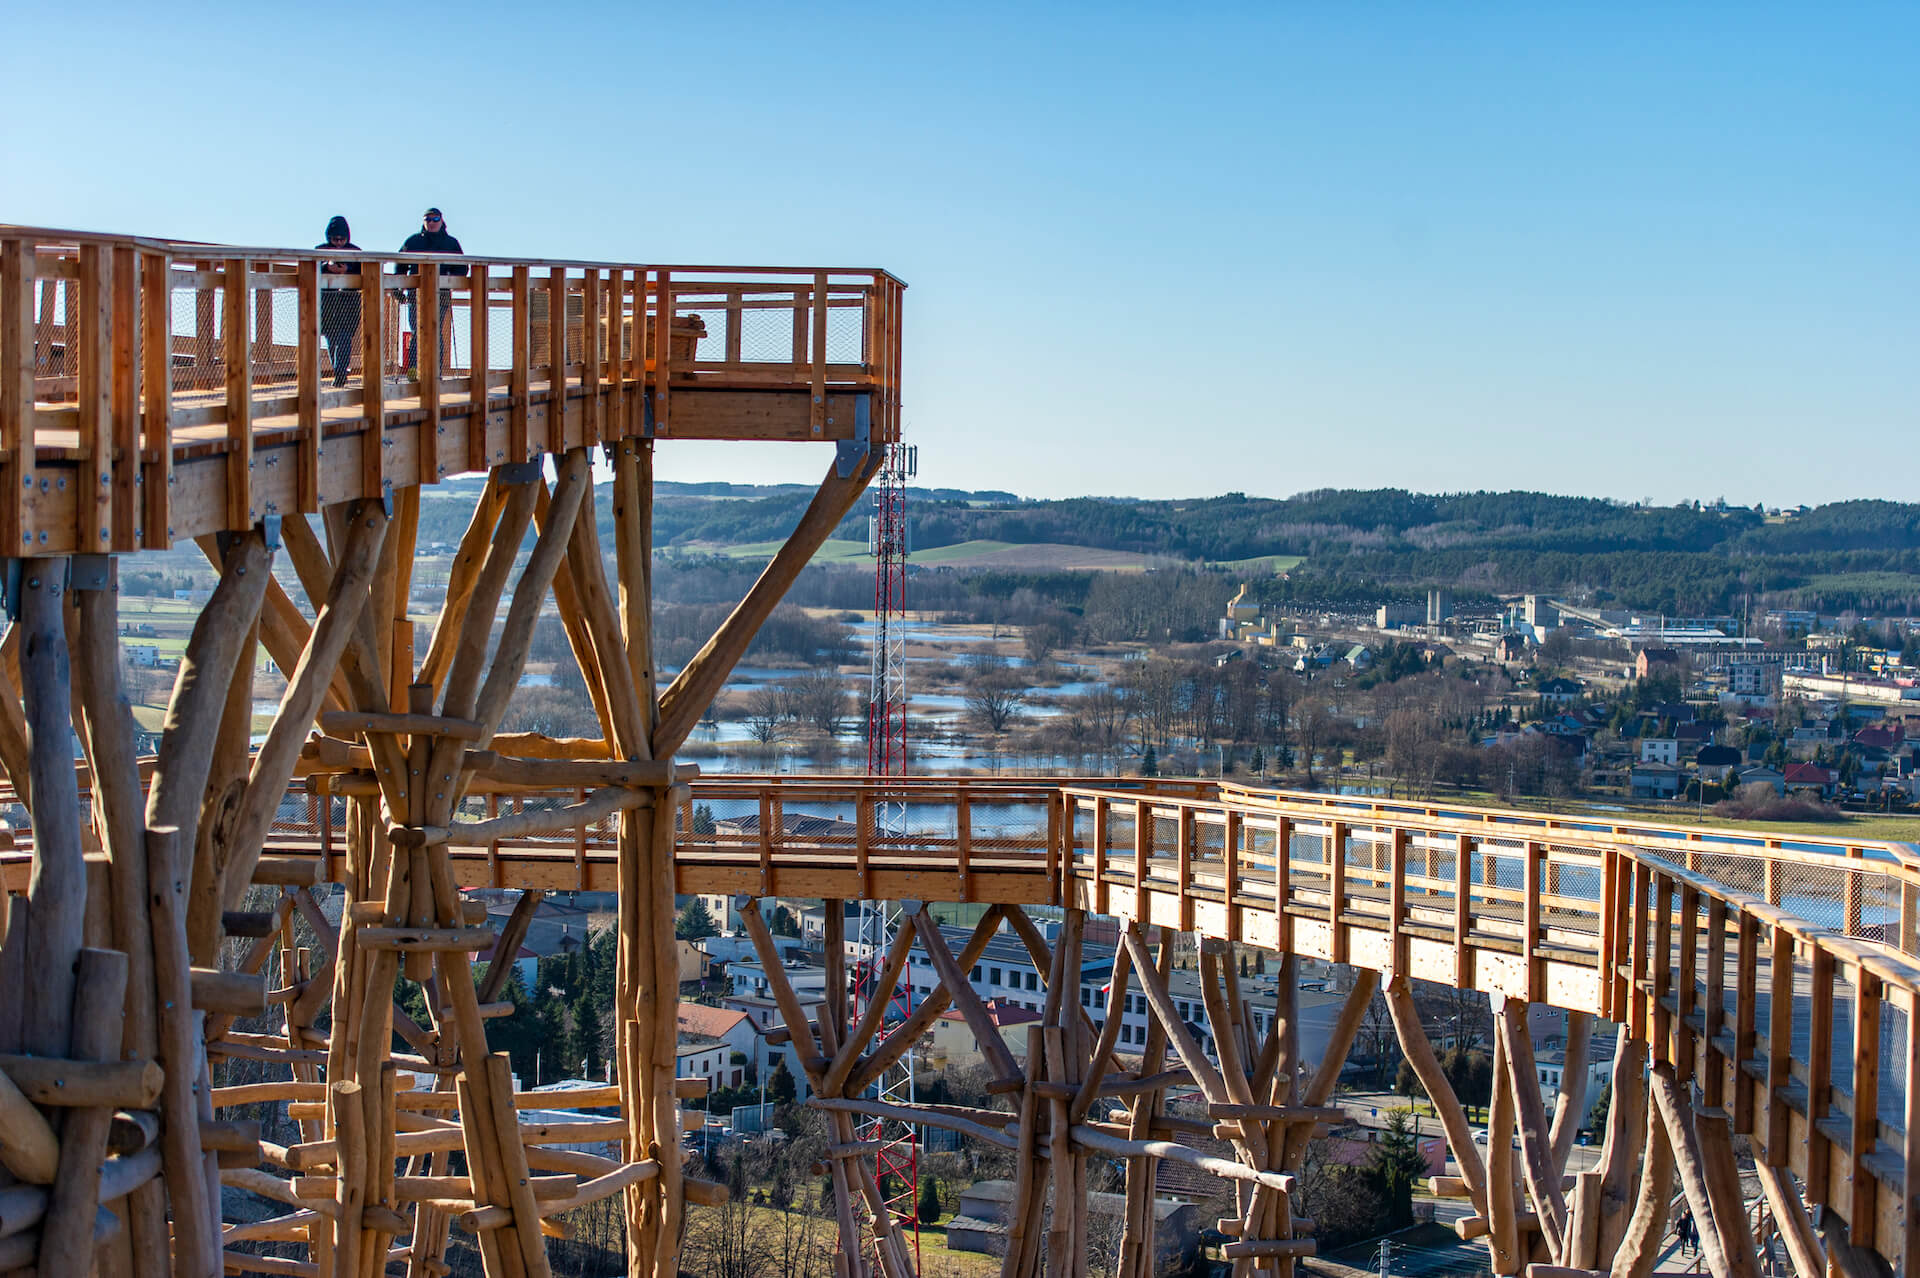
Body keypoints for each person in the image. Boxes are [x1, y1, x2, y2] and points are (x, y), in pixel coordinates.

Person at [396, 207, 467, 371]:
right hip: (415, 294)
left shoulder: (451, 243)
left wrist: (448, 279)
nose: (432, 223)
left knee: (435, 332)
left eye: (435, 219)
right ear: (423, 222)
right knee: (417, 332)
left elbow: (463, 268)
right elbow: (399, 263)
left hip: (440, 294)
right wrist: (397, 288)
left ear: (442, 221)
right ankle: (414, 372)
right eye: (428, 219)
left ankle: (436, 371)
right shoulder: (413, 241)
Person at [316, 216, 360, 387]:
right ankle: (338, 371)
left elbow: (362, 269)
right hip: (327, 302)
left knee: (344, 336)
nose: (339, 243)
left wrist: (347, 269)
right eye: (335, 239)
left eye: (342, 239)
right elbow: (311, 268)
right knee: (331, 337)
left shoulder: (356, 251)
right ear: (329, 237)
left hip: (349, 301)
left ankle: (341, 373)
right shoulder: (319, 251)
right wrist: (326, 267)